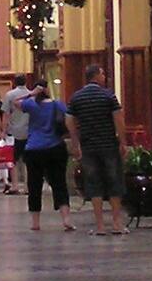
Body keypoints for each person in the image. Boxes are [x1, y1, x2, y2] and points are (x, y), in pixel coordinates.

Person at [66, 65, 126, 236]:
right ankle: (117, 223)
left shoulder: (77, 97)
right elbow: (118, 119)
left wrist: (76, 141)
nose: (105, 77)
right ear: (96, 76)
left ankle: (100, 226)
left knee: (94, 184)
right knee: (115, 182)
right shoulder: (108, 95)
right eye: (103, 74)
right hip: (108, 145)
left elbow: (69, 120)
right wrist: (123, 142)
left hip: (88, 146)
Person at [20, 79, 74, 233]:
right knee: (59, 184)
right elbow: (69, 120)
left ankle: (35, 222)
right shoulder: (58, 104)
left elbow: (14, 103)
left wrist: (30, 94)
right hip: (55, 147)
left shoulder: (31, 104)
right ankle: (66, 219)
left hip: (34, 149)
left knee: (34, 185)